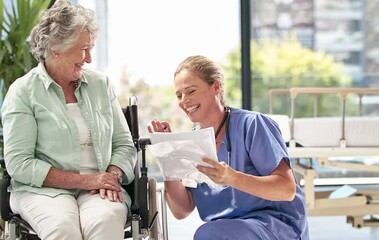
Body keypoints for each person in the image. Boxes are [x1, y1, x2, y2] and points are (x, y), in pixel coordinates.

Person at [1, 0, 136, 239]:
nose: (90, 58)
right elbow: (19, 163)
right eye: (84, 49)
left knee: (105, 222)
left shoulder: (100, 84)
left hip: (100, 188)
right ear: (56, 48)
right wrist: (85, 180)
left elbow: (124, 144)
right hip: (43, 191)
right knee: (62, 228)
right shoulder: (23, 92)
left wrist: (110, 176)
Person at [149, 55, 310, 239]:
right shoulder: (193, 143)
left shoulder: (252, 125)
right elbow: (182, 210)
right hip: (229, 230)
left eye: (191, 91)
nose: (184, 100)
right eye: (179, 95)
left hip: (275, 226)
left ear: (215, 87)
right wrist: (169, 156)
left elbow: (287, 189)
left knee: (207, 234)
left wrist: (232, 178)